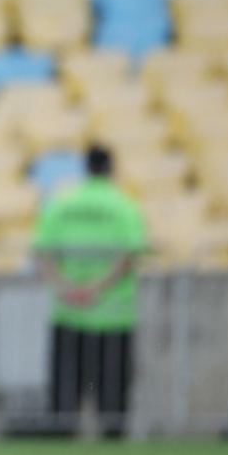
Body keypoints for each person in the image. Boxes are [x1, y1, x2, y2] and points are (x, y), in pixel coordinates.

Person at [33, 145, 147, 439]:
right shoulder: (124, 204)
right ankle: (111, 433)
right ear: (111, 168)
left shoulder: (61, 202)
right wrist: (95, 290)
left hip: (69, 310)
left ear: (85, 167)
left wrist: (68, 288)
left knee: (68, 380)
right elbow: (129, 255)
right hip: (113, 312)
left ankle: (62, 430)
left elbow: (43, 253)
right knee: (110, 383)